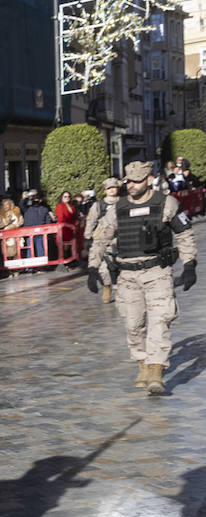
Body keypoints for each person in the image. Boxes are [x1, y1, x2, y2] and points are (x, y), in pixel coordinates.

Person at [102, 159, 198, 395]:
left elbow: (185, 235)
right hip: (127, 276)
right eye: (128, 181)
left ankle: (156, 371)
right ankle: (142, 364)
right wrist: (95, 267)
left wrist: (190, 264)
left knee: (159, 320)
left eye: (136, 181)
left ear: (148, 179)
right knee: (133, 324)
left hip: (158, 273)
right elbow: (101, 237)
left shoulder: (167, 204)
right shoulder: (119, 208)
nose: (131, 185)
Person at [85, 177, 121, 303]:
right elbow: (91, 221)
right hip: (102, 239)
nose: (111, 190)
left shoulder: (123, 203)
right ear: (105, 190)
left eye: (114, 188)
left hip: (120, 238)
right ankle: (107, 286)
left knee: (118, 266)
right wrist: (88, 237)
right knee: (103, 268)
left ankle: (118, 289)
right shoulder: (99, 205)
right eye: (109, 188)